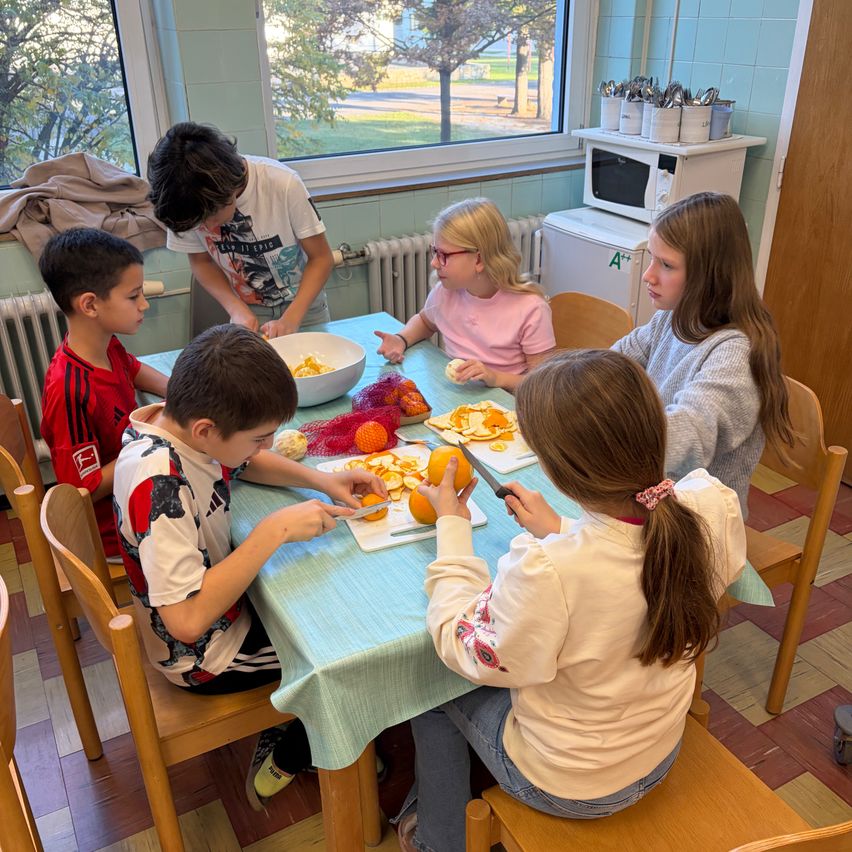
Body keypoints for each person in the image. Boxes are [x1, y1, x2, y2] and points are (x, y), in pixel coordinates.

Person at [394, 349, 746, 852]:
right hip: (659, 748)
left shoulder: (548, 570)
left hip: (570, 786)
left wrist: (451, 523)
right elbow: (625, 565)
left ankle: (437, 840)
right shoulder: (709, 506)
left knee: (429, 693)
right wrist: (563, 529)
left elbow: (467, 647)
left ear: (556, 473)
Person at [112, 324, 387, 808]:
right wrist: (273, 531)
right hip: (205, 656)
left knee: (330, 594)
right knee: (357, 655)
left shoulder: (177, 430)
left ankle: (322, 724)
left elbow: (241, 463)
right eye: (259, 438)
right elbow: (187, 621)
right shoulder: (159, 485)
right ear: (206, 430)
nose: (264, 448)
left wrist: (322, 480)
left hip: (220, 612)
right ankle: (296, 750)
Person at [612, 191, 795, 514]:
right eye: (652, 258)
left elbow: (686, 435)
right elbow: (611, 366)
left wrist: (597, 436)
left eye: (666, 265)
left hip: (700, 522)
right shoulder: (672, 317)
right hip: (655, 496)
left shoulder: (736, 354)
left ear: (708, 276)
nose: (648, 275)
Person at [39, 228, 169, 559]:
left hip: (133, 492)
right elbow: (83, 488)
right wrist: (152, 440)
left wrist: (179, 389)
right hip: (114, 531)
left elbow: (133, 369)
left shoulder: (104, 342)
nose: (144, 304)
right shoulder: (69, 390)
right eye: (133, 295)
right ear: (90, 305)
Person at [146, 122, 333, 338]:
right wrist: (236, 308)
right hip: (249, 310)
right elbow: (200, 261)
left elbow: (321, 258)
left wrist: (291, 319)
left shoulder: (283, 184)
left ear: (230, 191)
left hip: (304, 305)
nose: (206, 228)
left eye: (210, 218)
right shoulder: (184, 202)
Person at [374, 198, 556, 392]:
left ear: (479, 259)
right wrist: (401, 339)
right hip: (461, 397)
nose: (434, 263)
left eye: (444, 255)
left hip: (510, 405)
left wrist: (495, 378)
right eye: (434, 252)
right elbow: (425, 322)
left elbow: (543, 384)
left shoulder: (530, 309)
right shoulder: (445, 293)